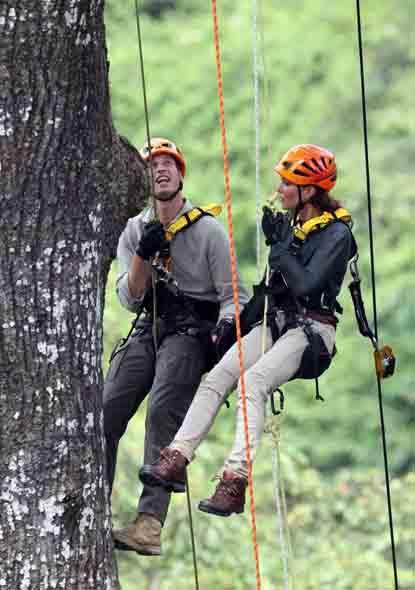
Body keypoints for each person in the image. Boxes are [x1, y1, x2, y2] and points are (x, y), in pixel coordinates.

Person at [139, 144, 356, 517]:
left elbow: (306, 286)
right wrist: (233, 329)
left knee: (252, 383)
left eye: (288, 184)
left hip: (312, 331)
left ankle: (234, 482)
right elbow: (271, 289)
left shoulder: (336, 235)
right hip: (277, 321)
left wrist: (281, 248)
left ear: (309, 191)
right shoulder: (295, 227)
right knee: (219, 376)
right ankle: (176, 457)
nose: (280, 190)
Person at [103, 137, 249, 554]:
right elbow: (130, 297)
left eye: (169, 164)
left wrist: (221, 335)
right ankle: (96, 506)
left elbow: (231, 295)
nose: (161, 170)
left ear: (181, 174)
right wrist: (142, 256)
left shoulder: (207, 230)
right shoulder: (135, 229)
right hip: (151, 322)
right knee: (108, 409)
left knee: (163, 411)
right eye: (152, 165)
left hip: (191, 330)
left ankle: (148, 525)